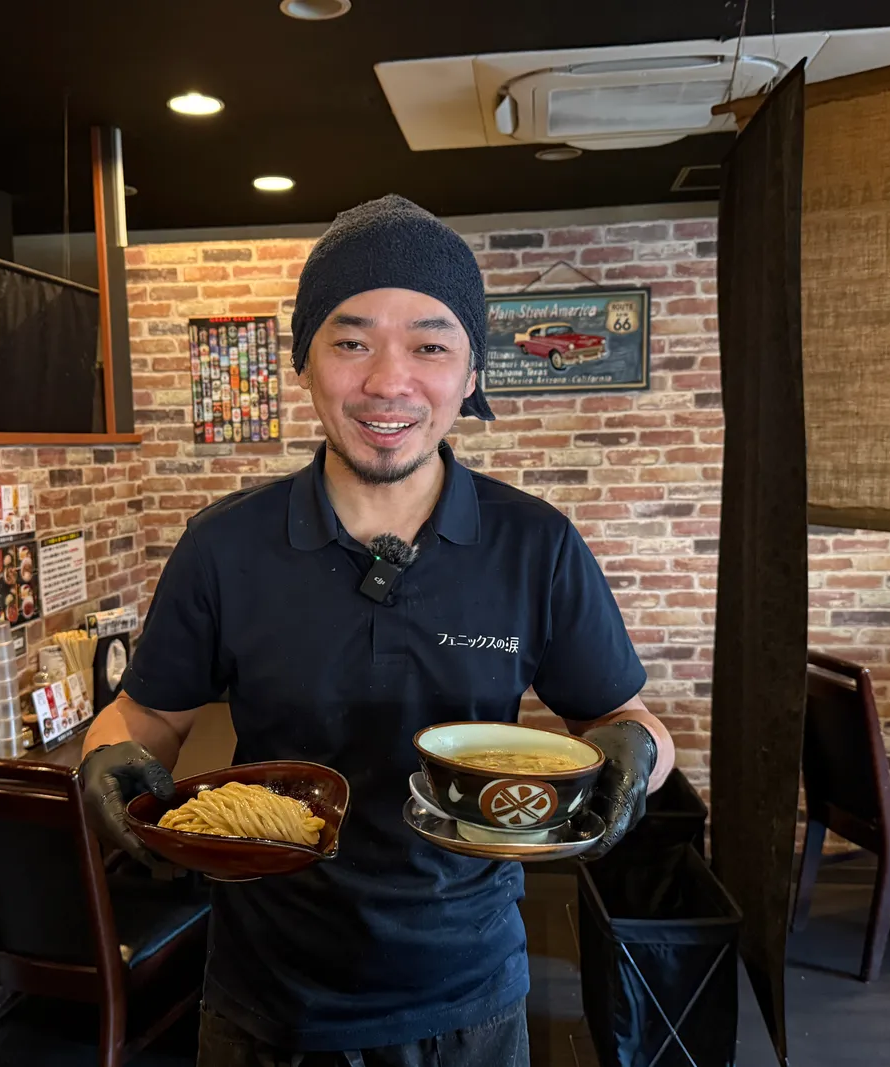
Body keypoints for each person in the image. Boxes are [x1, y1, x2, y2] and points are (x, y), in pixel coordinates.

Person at [79, 195, 675, 1066]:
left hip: (469, 996)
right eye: (351, 340)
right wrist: (107, 756)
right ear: (305, 359)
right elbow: (146, 715)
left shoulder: (533, 543)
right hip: (266, 1002)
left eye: (430, 345)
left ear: (472, 373)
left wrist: (633, 757)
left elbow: (627, 720)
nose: (389, 382)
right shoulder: (225, 545)